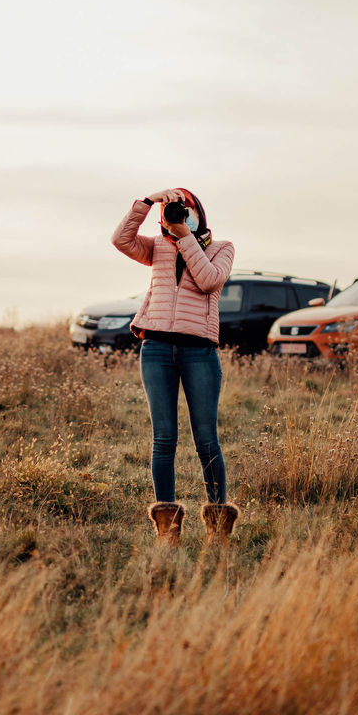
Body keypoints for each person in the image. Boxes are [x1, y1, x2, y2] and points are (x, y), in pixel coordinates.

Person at [111, 188, 238, 546]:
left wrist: (185, 237)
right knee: (163, 438)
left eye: (184, 208)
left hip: (199, 352)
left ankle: (217, 527)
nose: (178, 214)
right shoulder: (157, 247)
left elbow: (210, 280)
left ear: (198, 212)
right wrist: (147, 202)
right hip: (156, 348)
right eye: (172, 210)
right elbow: (120, 239)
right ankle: (167, 529)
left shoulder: (222, 248)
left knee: (206, 440)